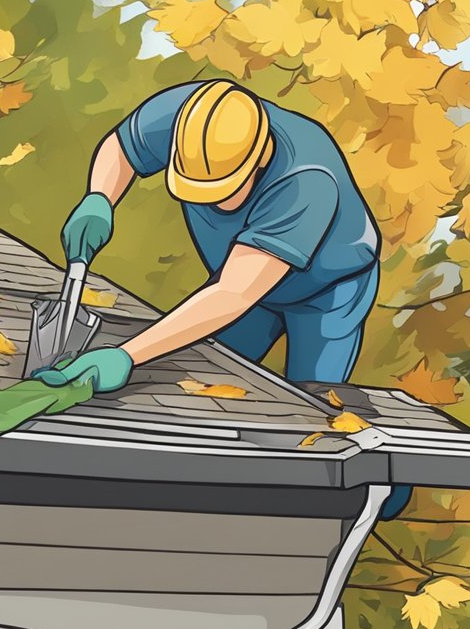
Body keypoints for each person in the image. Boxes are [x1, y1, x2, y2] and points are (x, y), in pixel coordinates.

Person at [35, 79, 380, 394]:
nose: (212, 202)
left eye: (222, 191)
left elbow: (233, 293)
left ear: (258, 160)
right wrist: (99, 198)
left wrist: (125, 355)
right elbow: (122, 148)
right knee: (211, 375)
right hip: (238, 280)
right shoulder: (187, 117)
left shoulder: (306, 182)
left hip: (327, 295)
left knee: (312, 402)